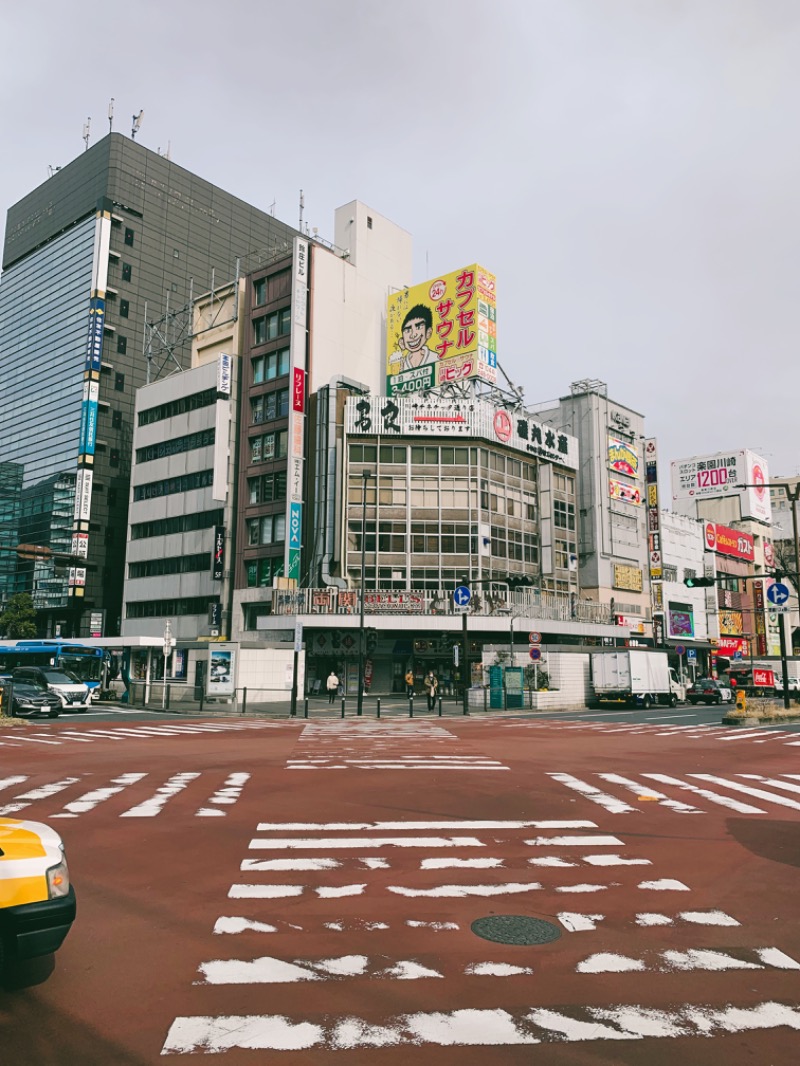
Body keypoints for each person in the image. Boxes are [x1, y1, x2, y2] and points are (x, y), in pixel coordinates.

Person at [389, 304, 437, 374]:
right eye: (407, 330)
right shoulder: (402, 363)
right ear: (402, 342)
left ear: (428, 332)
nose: (413, 335)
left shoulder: (434, 358)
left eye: (418, 327)